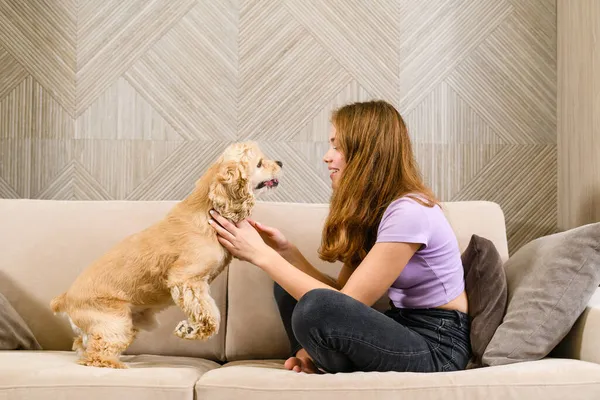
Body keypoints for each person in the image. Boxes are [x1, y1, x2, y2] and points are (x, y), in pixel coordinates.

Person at [208, 100, 471, 374]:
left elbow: (346, 305)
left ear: (366, 153)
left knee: (315, 307)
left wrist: (262, 256)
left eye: (337, 146)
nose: (327, 156)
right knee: (289, 288)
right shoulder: (374, 211)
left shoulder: (410, 211)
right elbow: (341, 294)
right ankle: (310, 356)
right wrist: (287, 253)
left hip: (439, 345)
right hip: (402, 325)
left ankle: (316, 357)